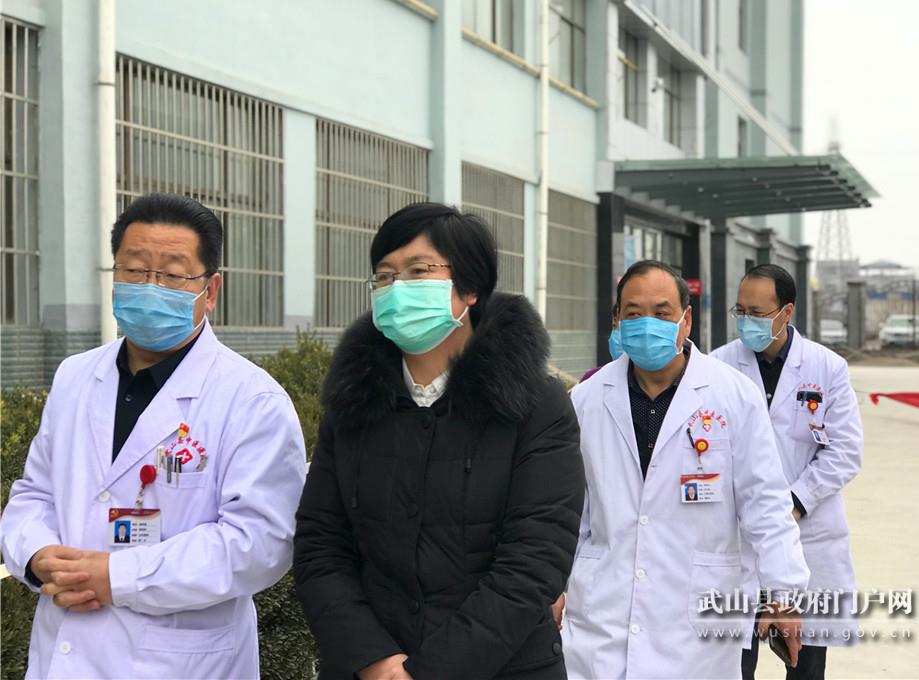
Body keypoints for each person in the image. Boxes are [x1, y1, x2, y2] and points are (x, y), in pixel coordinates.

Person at [0, 193, 306, 679]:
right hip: (66, 649)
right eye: (135, 270)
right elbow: (34, 493)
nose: (150, 287)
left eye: (172, 274)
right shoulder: (75, 377)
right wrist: (37, 557)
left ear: (210, 290)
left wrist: (116, 577)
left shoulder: (252, 399)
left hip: (183, 662)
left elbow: (259, 543)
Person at [293, 203, 586, 680]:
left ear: (470, 288)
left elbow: (535, 559)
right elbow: (319, 544)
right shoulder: (354, 404)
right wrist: (374, 659)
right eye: (384, 276)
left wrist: (428, 672)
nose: (397, 288)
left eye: (418, 270)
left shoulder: (535, 404)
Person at [562, 260, 810, 680]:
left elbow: (765, 504)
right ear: (617, 320)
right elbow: (570, 510)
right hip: (602, 614)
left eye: (662, 313)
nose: (647, 325)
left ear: (686, 320)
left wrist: (783, 592)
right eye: (634, 313)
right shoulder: (586, 399)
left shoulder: (733, 396)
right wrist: (553, 584)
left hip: (697, 624)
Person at [711, 264, 863, 680]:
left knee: (805, 664)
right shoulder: (718, 366)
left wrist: (794, 502)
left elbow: (845, 450)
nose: (747, 321)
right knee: (733, 660)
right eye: (740, 311)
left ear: (786, 312)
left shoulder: (826, 367)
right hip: (739, 536)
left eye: (758, 313)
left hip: (807, 532)